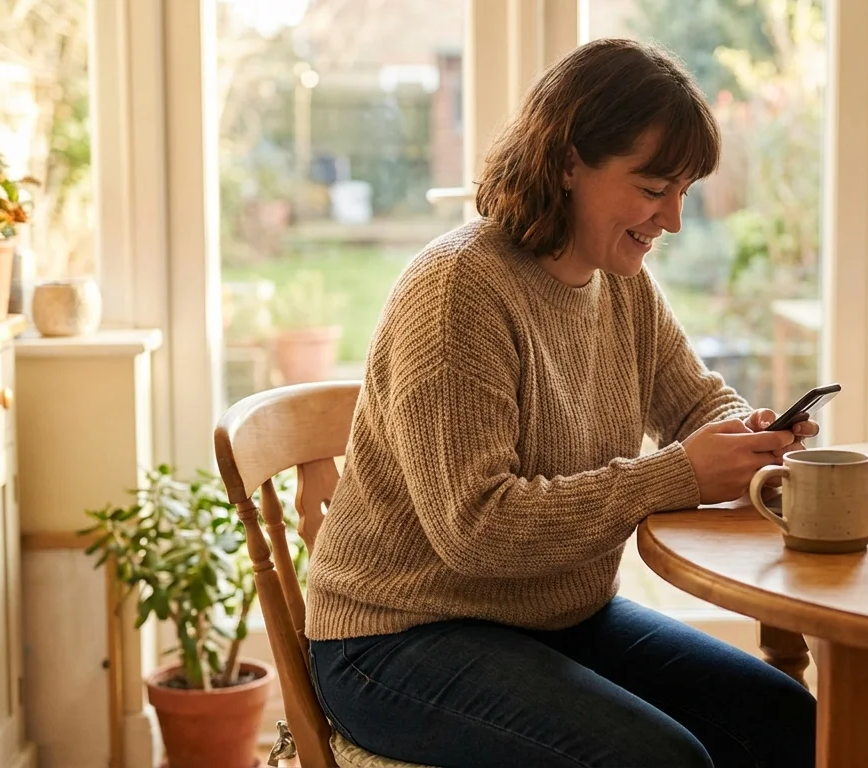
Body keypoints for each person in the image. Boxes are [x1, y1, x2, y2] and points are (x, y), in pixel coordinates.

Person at [305, 37, 817, 768]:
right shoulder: (459, 292)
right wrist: (679, 475)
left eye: (683, 191)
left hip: (554, 618)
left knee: (786, 719)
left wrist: (753, 437)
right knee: (662, 761)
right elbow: (475, 529)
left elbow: (695, 402)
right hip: (395, 639)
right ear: (569, 161)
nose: (672, 219)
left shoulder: (622, 280)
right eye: (651, 188)